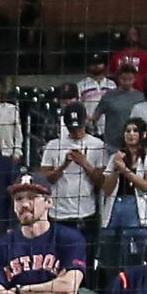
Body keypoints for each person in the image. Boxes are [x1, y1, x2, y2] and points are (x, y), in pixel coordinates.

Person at [39, 103, 108, 251]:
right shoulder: (53, 145)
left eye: (79, 127)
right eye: (72, 128)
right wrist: (63, 165)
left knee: (85, 261)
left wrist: (84, 163)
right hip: (58, 214)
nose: (76, 132)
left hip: (85, 213)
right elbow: (46, 179)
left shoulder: (97, 145)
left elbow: (102, 181)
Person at [99, 116, 147, 257]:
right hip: (115, 208)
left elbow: (146, 185)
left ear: (143, 134)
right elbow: (107, 189)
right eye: (127, 131)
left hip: (138, 211)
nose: (130, 134)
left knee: (134, 255)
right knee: (110, 254)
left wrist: (125, 170)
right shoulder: (116, 157)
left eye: (135, 131)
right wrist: (116, 168)